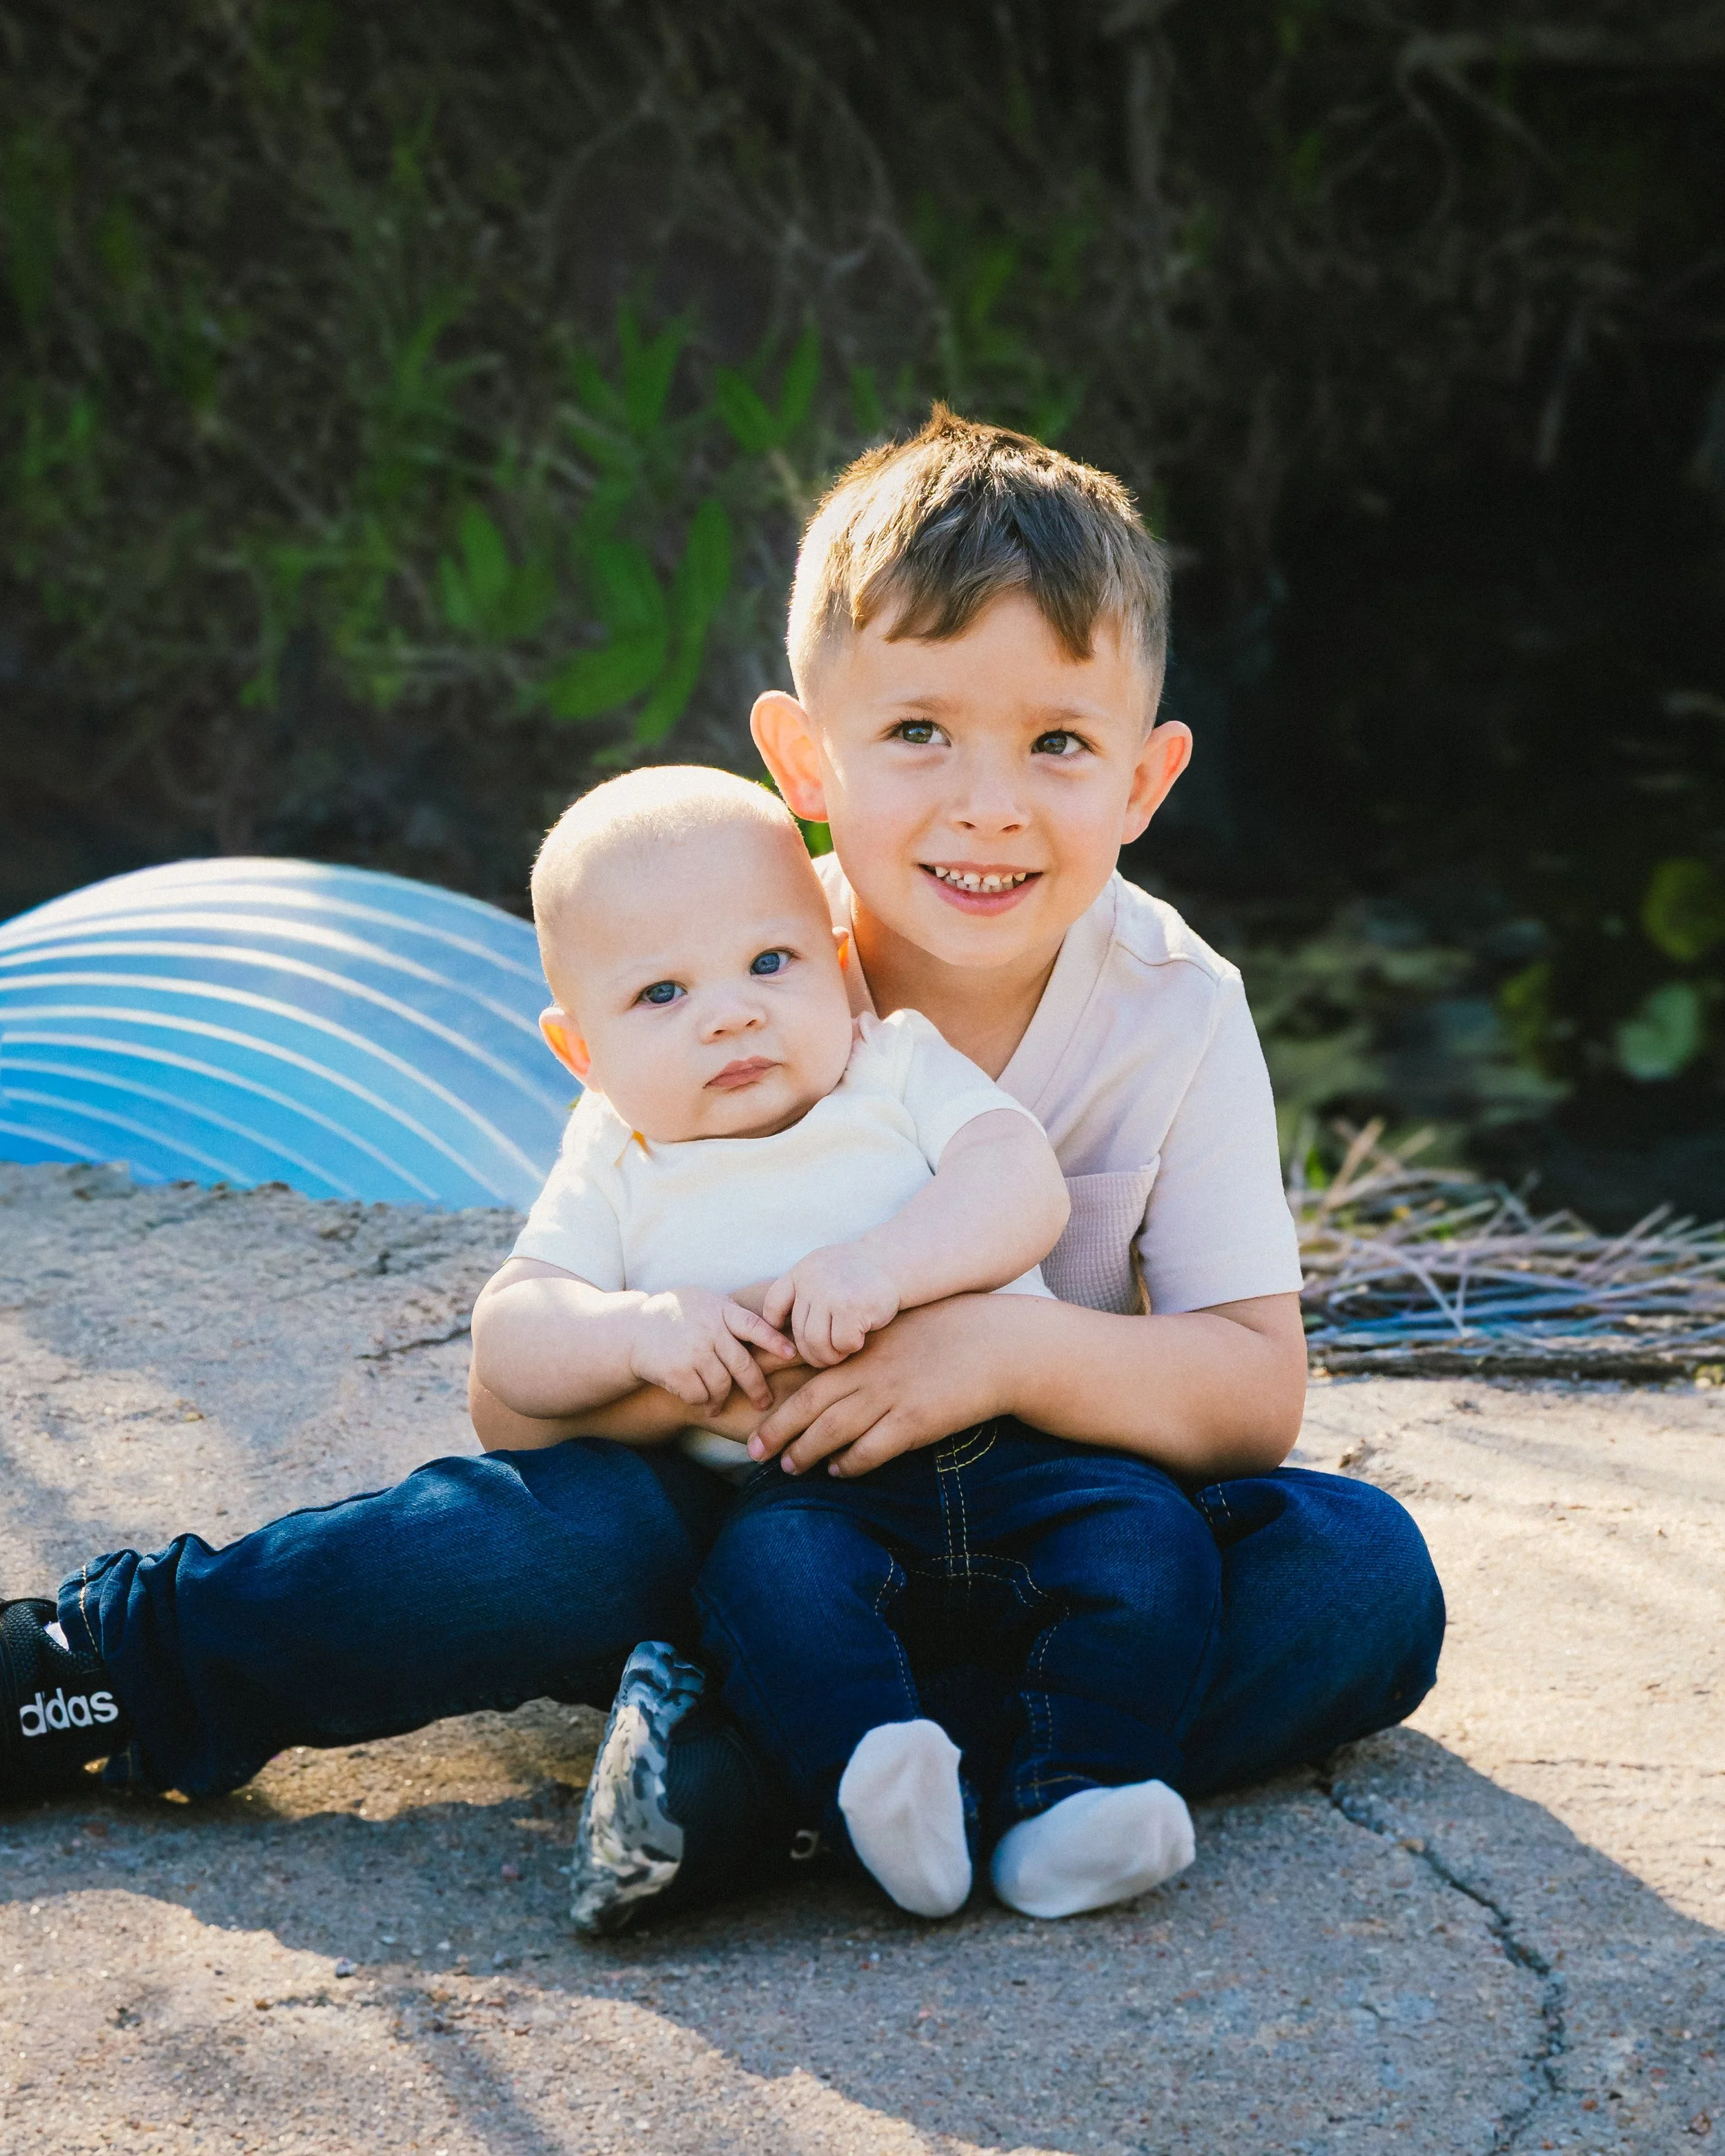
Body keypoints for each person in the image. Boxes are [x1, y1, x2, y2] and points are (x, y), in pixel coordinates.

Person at [0, 412, 1443, 1937]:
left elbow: (1245, 1391)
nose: (985, 803)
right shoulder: (712, 959)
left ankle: (750, 1766)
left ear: (1143, 781)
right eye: (915, 733)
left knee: (1354, 1576)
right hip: (724, 1520)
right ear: (803, 757)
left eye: (1056, 744)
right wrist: (684, 1355)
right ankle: (90, 1669)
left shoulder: (1173, 999)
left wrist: (995, 1346)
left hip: (1055, 1535)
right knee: (523, 1542)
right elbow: (519, 1408)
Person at [475, 763, 1205, 1924]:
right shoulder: (613, 1156)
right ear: (583, 1054)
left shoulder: (893, 1064)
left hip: (1020, 1456)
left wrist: (885, 1268)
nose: (732, 1012)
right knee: (765, 1587)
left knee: (1149, 1543)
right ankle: (880, 1783)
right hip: (807, 1495)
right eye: (661, 995)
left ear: (835, 961)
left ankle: (1081, 1798)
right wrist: (641, 1332)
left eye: (772, 964)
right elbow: (512, 1340)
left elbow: (1018, 1185)